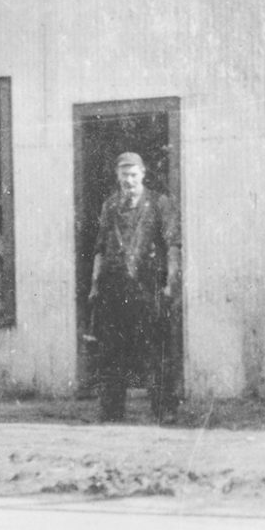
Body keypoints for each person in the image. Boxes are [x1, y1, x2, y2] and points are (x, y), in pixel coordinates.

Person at [87, 152, 182, 423]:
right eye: (123, 175)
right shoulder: (110, 206)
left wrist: (170, 282)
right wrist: (95, 285)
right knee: (111, 351)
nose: (128, 180)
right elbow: (100, 249)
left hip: (148, 284)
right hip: (114, 286)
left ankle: (165, 409)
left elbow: (173, 243)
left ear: (143, 174)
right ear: (117, 176)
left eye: (133, 174)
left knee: (156, 349)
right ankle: (111, 411)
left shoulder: (159, 203)